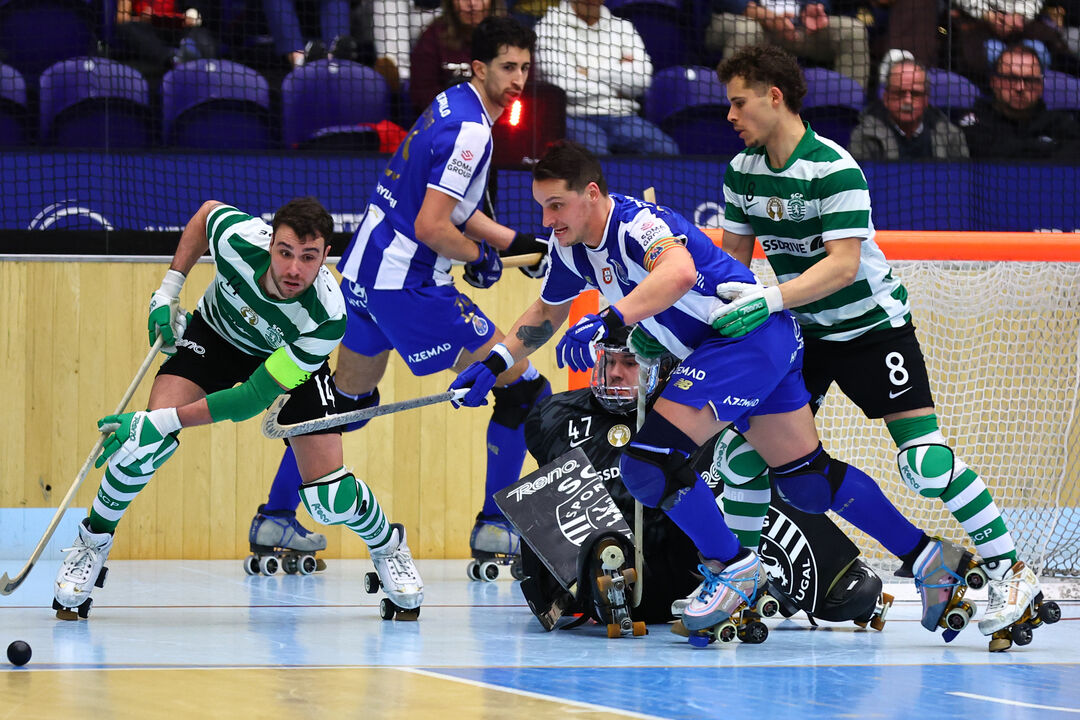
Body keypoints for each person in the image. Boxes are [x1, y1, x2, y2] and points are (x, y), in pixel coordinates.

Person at [449, 139, 956, 643]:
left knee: (647, 462)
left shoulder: (636, 224)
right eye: (542, 208)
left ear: (592, 193)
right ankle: (930, 559)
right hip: (759, 346)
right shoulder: (570, 248)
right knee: (808, 480)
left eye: (556, 205)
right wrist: (494, 363)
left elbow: (679, 271)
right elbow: (544, 315)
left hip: (739, 340)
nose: (548, 219)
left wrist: (610, 320)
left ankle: (733, 567)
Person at [708, 44, 1043, 649]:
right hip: (802, 336)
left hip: (872, 330)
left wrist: (771, 299)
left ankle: (1012, 574)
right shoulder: (741, 172)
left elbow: (842, 267)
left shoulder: (833, 168)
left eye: (738, 101)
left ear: (773, 96)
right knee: (741, 458)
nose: (729, 115)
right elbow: (730, 266)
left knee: (925, 465)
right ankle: (741, 583)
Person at [256, 16, 551, 582]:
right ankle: (497, 529)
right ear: (480, 68)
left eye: (525, 68)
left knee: (347, 403)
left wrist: (509, 242)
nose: (519, 79)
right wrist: (476, 256)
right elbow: (436, 224)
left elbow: (450, 205)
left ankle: (275, 519)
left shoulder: (450, 105)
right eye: (509, 68)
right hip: (408, 287)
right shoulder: (473, 132)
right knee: (523, 391)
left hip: (363, 276)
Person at [53, 197, 423, 620]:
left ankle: (388, 546)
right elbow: (205, 214)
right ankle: (91, 543)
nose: (293, 270)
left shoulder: (326, 317)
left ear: (326, 257)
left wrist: (159, 420)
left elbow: (250, 398)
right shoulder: (238, 240)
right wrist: (168, 291)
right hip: (214, 339)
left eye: (308, 257)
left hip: (287, 364)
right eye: (285, 253)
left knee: (330, 498)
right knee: (141, 448)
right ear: (270, 245)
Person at [517, 328, 889, 631]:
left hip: (691, 568)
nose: (614, 373)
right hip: (606, 576)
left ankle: (817, 574)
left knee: (743, 473)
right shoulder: (554, 415)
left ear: (662, 366)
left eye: (629, 362)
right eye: (609, 361)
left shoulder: (697, 412)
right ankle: (589, 586)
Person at [533, 0, 679, 155]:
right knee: (596, 157)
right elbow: (560, 86)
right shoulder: (548, 27)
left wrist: (589, 73)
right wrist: (616, 88)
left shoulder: (623, 28)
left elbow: (642, 80)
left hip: (623, 116)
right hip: (572, 116)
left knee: (666, 149)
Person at [705, 0, 872, 88]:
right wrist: (764, 16)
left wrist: (813, 7)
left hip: (796, 25)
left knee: (852, 30)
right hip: (745, 20)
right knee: (747, 29)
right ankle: (729, 109)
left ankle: (849, 112)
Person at [960, 42, 1080, 159]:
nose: (1020, 88)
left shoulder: (1058, 123)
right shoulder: (976, 120)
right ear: (994, 82)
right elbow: (990, 152)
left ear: (1041, 86)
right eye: (1011, 79)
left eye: (1029, 80)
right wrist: (1046, 146)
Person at [848, 57, 971, 160]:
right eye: (899, 93)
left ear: (926, 100)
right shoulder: (865, 136)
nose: (907, 100)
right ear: (886, 98)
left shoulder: (951, 136)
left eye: (915, 94)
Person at [410, 0, 505, 115]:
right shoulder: (433, 36)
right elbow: (422, 94)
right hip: (448, 123)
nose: (472, 3)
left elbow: (524, 92)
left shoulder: (511, 36)